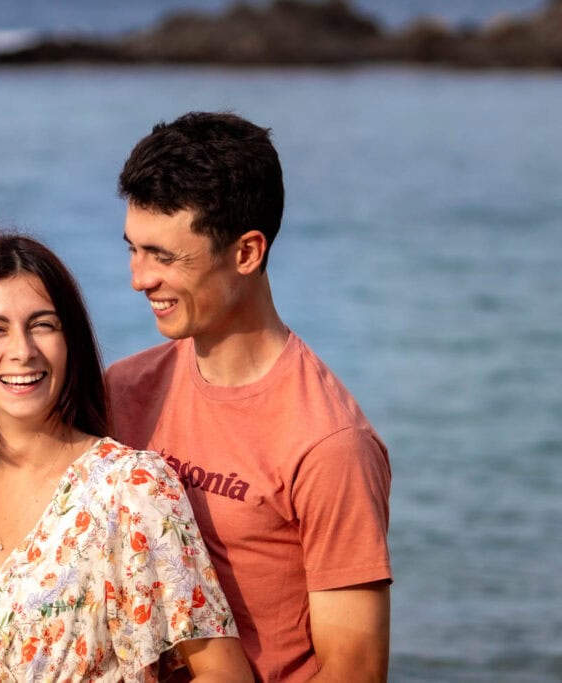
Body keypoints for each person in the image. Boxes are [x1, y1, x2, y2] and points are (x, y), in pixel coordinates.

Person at [0, 231, 253, 682]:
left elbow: (223, 673)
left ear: (69, 340)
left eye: (43, 325)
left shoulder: (129, 489)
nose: (22, 351)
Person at [106, 112, 392, 682]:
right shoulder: (122, 390)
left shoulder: (330, 443)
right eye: (134, 249)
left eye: (164, 256)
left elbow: (354, 673)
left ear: (246, 253)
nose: (140, 278)